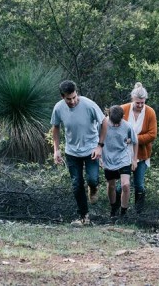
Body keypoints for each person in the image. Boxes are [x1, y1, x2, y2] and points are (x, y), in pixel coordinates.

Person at [51, 80, 107, 226]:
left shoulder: (89, 105)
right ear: (63, 97)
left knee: (92, 179)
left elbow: (104, 122)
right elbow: (55, 127)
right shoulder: (58, 108)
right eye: (68, 99)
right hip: (72, 151)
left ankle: (93, 187)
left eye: (74, 97)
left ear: (77, 93)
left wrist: (100, 146)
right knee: (76, 184)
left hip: (91, 150)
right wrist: (56, 150)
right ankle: (84, 216)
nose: (72, 101)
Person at [121, 81, 157, 213]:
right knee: (122, 186)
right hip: (123, 154)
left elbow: (152, 134)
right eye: (138, 103)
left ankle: (139, 212)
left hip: (142, 155)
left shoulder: (150, 112)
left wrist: (133, 139)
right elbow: (112, 127)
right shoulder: (123, 109)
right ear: (132, 100)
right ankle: (120, 212)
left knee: (139, 185)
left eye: (143, 102)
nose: (140, 105)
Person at [102, 105, 138, 222]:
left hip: (124, 157)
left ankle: (123, 213)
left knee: (125, 185)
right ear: (108, 116)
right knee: (111, 185)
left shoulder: (127, 126)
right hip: (108, 157)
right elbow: (95, 140)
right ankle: (113, 209)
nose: (116, 125)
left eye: (118, 122)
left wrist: (134, 159)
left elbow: (135, 141)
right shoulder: (103, 124)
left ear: (123, 117)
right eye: (114, 123)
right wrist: (99, 157)